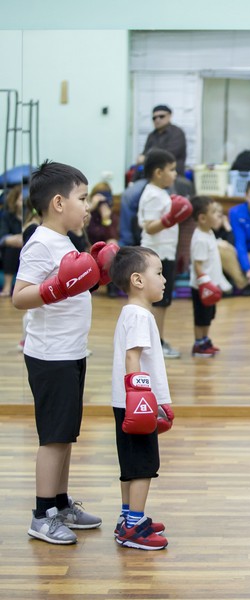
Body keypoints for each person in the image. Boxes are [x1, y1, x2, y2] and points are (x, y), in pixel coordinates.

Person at [11, 161, 105, 545]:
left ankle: (61, 503)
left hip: (70, 350)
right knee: (52, 436)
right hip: (50, 355)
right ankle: (41, 514)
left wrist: (96, 270)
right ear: (58, 202)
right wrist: (57, 288)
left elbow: (71, 283)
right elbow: (20, 297)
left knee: (65, 434)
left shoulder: (64, 239)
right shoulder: (39, 242)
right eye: (82, 199)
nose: (87, 207)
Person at [108, 246, 172, 550]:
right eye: (158, 273)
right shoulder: (140, 316)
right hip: (136, 404)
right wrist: (143, 401)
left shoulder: (131, 312)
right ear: (137, 280)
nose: (164, 280)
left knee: (131, 464)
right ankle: (134, 526)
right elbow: (132, 357)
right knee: (144, 465)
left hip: (127, 402)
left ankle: (126, 518)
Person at [137, 149, 193, 359]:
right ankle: (156, 343)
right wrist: (170, 218)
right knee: (160, 301)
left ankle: (155, 341)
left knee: (163, 300)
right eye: (171, 170)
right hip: (155, 254)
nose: (175, 174)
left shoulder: (159, 193)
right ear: (158, 172)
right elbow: (149, 227)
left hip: (163, 253)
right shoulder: (152, 195)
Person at [189, 196, 230, 357]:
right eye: (214, 212)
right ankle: (198, 343)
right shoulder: (200, 238)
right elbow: (198, 264)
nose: (218, 215)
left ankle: (205, 340)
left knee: (208, 316)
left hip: (211, 286)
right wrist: (206, 284)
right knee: (201, 317)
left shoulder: (208, 233)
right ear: (202, 218)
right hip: (202, 288)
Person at [137, 105, 187, 175]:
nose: (157, 120)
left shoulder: (177, 133)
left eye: (161, 116)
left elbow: (167, 156)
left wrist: (145, 158)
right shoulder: (151, 135)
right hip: (151, 176)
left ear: (169, 116)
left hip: (172, 177)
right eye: (154, 118)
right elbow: (144, 154)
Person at [1, 185, 24, 296]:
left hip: (26, 250)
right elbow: (3, 238)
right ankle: (7, 287)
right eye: (20, 200)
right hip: (10, 253)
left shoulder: (31, 216)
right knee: (12, 247)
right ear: (14, 201)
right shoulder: (6, 216)